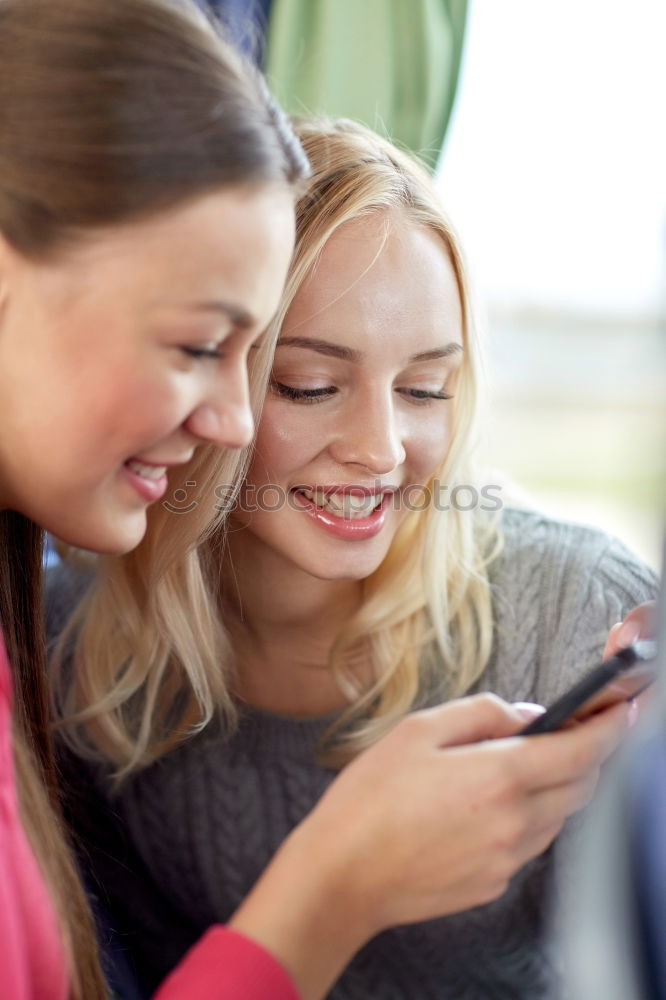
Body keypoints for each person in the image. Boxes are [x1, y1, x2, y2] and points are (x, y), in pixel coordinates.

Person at [47, 118, 658, 999]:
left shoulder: (576, 612)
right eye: (311, 386)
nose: (381, 447)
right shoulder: (74, 653)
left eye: (425, 390)